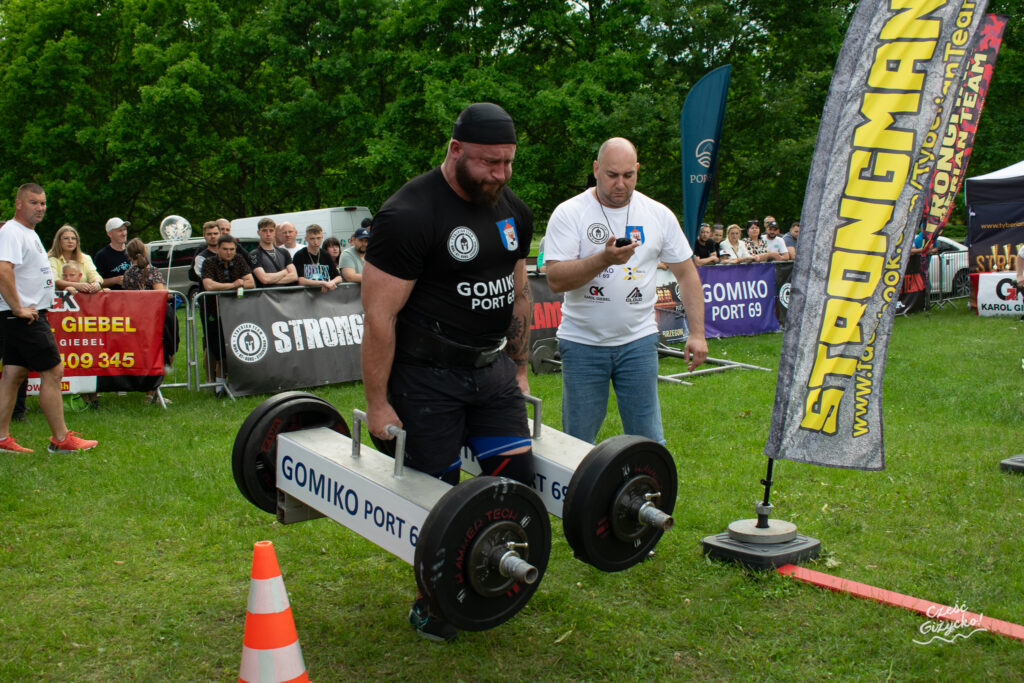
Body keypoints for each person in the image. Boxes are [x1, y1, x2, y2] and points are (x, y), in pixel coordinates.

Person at [362, 102, 535, 642]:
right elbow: (379, 315)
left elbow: (519, 290)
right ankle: (433, 601)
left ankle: (494, 583)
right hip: (425, 380)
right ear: (455, 150)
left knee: (515, 485)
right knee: (434, 502)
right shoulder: (409, 215)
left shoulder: (513, 210)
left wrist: (521, 369)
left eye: (507, 163)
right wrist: (377, 401)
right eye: (489, 163)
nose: (500, 175)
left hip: (493, 373)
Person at [544, 137, 707, 445]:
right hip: (582, 343)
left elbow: (686, 273)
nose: (620, 184)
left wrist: (697, 333)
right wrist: (602, 259)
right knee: (577, 441)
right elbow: (556, 279)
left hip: (638, 342)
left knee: (648, 439)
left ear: (637, 171)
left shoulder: (657, 214)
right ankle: (578, 493)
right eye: (611, 175)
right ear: (595, 169)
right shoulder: (570, 213)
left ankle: (649, 492)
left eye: (628, 175)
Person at [0, 183, 97, 453]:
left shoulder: (27, 232)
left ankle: (1, 439)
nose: (40, 208)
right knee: (53, 372)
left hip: (22, 315)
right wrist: (18, 308)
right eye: (33, 202)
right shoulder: (11, 231)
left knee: (13, 374)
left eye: (42, 203)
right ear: (18, 203)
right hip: (25, 316)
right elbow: (2, 270)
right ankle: (61, 439)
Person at [123, 238, 178, 402]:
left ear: (129, 255)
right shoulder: (152, 271)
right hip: (158, 316)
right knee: (166, 350)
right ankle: (153, 391)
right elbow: (160, 294)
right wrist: (169, 292)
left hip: (138, 318)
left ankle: (150, 390)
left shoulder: (127, 275)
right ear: (145, 251)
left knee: (147, 353)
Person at [201, 234, 255, 391]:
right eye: (225, 249)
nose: (229, 252)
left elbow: (251, 283)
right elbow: (208, 286)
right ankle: (216, 384)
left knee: (234, 344)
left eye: (232, 249)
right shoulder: (208, 262)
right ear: (217, 248)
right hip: (213, 310)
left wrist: (228, 286)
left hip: (235, 311)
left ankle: (233, 381)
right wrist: (235, 284)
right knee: (216, 347)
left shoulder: (239, 259)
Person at [48, 225, 103, 293]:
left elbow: (94, 275)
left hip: (85, 300)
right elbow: (54, 281)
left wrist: (97, 283)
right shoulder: (51, 260)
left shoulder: (85, 258)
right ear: (58, 241)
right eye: (66, 238)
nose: (70, 241)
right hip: (59, 300)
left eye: (73, 238)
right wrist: (77, 285)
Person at [249, 218, 297, 288]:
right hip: (266, 296)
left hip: (285, 296)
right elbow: (264, 279)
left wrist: (271, 280)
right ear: (258, 232)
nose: (268, 234)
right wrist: (284, 272)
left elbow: (294, 276)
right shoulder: (254, 254)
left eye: (271, 230)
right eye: (264, 231)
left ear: (275, 232)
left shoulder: (284, 252)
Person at [294, 224, 342, 291]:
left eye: (318, 238)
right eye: (312, 239)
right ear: (306, 239)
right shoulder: (299, 255)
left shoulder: (326, 254)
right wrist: (323, 283)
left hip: (324, 295)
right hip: (306, 295)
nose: (316, 242)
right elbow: (300, 280)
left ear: (322, 238)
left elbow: (338, 277)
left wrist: (331, 282)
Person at [94, 217, 132, 289]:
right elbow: (96, 282)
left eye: (125, 229)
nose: (124, 233)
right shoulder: (101, 256)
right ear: (109, 234)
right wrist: (115, 280)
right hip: (113, 297)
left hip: (135, 296)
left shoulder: (133, 250)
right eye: (119, 230)